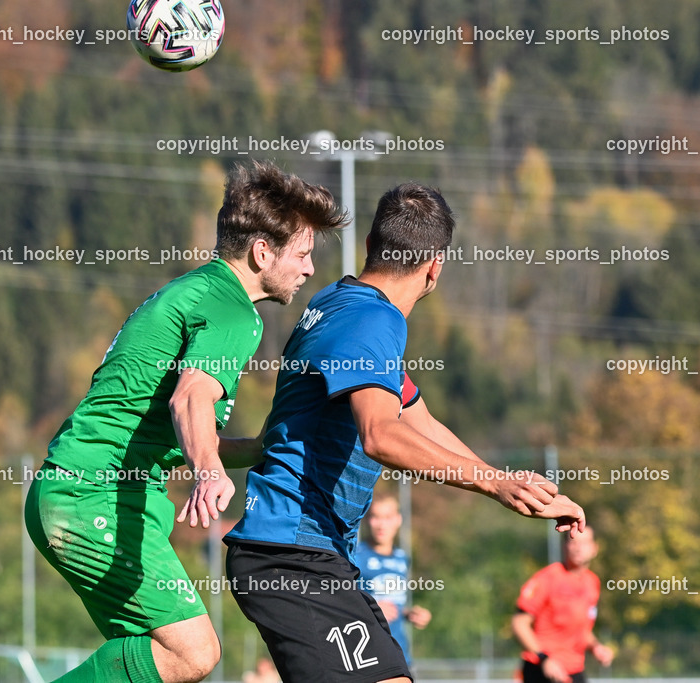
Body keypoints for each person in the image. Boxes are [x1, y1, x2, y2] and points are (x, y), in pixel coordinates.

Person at [223, 183, 587, 683]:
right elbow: (380, 434)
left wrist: (510, 482)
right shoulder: (371, 321)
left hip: (315, 554)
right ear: (435, 267)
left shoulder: (341, 303)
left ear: (371, 244)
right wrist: (491, 484)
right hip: (290, 553)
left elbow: (419, 420)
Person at [24, 160, 348, 683]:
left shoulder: (197, 292)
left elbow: (178, 424)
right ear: (262, 252)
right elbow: (190, 400)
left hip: (96, 493)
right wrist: (208, 471)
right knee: (191, 652)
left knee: (149, 662)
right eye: (304, 254)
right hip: (93, 495)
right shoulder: (233, 311)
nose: (310, 270)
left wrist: (257, 449)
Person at [512, 526, 614, 683]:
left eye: (584, 542)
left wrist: (596, 647)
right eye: (573, 542)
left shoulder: (592, 583)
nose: (578, 548)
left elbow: (582, 630)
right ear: (564, 546)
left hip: (574, 670)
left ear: (595, 548)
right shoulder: (547, 578)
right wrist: (544, 659)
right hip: (541, 669)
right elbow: (519, 623)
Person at [352, 494, 431, 665]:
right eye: (376, 517)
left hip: (399, 652)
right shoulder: (355, 556)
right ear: (367, 520)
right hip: (366, 653)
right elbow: (338, 600)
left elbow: (392, 606)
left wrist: (409, 614)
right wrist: (370, 609)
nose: (381, 524)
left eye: (387, 517)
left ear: (398, 520)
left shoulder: (402, 559)